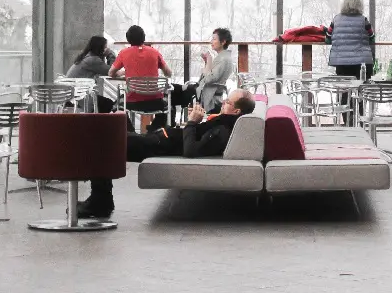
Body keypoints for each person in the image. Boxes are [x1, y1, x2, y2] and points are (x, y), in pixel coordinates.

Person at [79, 89, 258, 219]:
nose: (223, 102)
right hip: (159, 139)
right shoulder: (223, 122)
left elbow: (191, 151)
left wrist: (191, 123)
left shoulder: (224, 129)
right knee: (109, 130)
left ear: (236, 111)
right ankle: (101, 198)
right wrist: (196, 123)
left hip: (158, 145)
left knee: (102, 140)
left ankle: (100, 200)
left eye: (228, 102)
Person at [101, 25, 174, 122]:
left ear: (128, 39)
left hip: (132, 102)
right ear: (144, 37)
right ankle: (155, 131)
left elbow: (111, 73)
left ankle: (130, 133)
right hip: (156, 101)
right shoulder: (154, 52)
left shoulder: (124, 53)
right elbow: (168, 73)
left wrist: (123, 73)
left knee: (116, 106)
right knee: (170, 107)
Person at [327, 0, 375, 78]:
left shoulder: (336, 20)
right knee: (362, 89)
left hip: (341, 63)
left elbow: (327, 38)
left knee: (344, 89)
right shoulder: (364, 20)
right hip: (362, 63)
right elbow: (372, 38)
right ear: (360, 5)